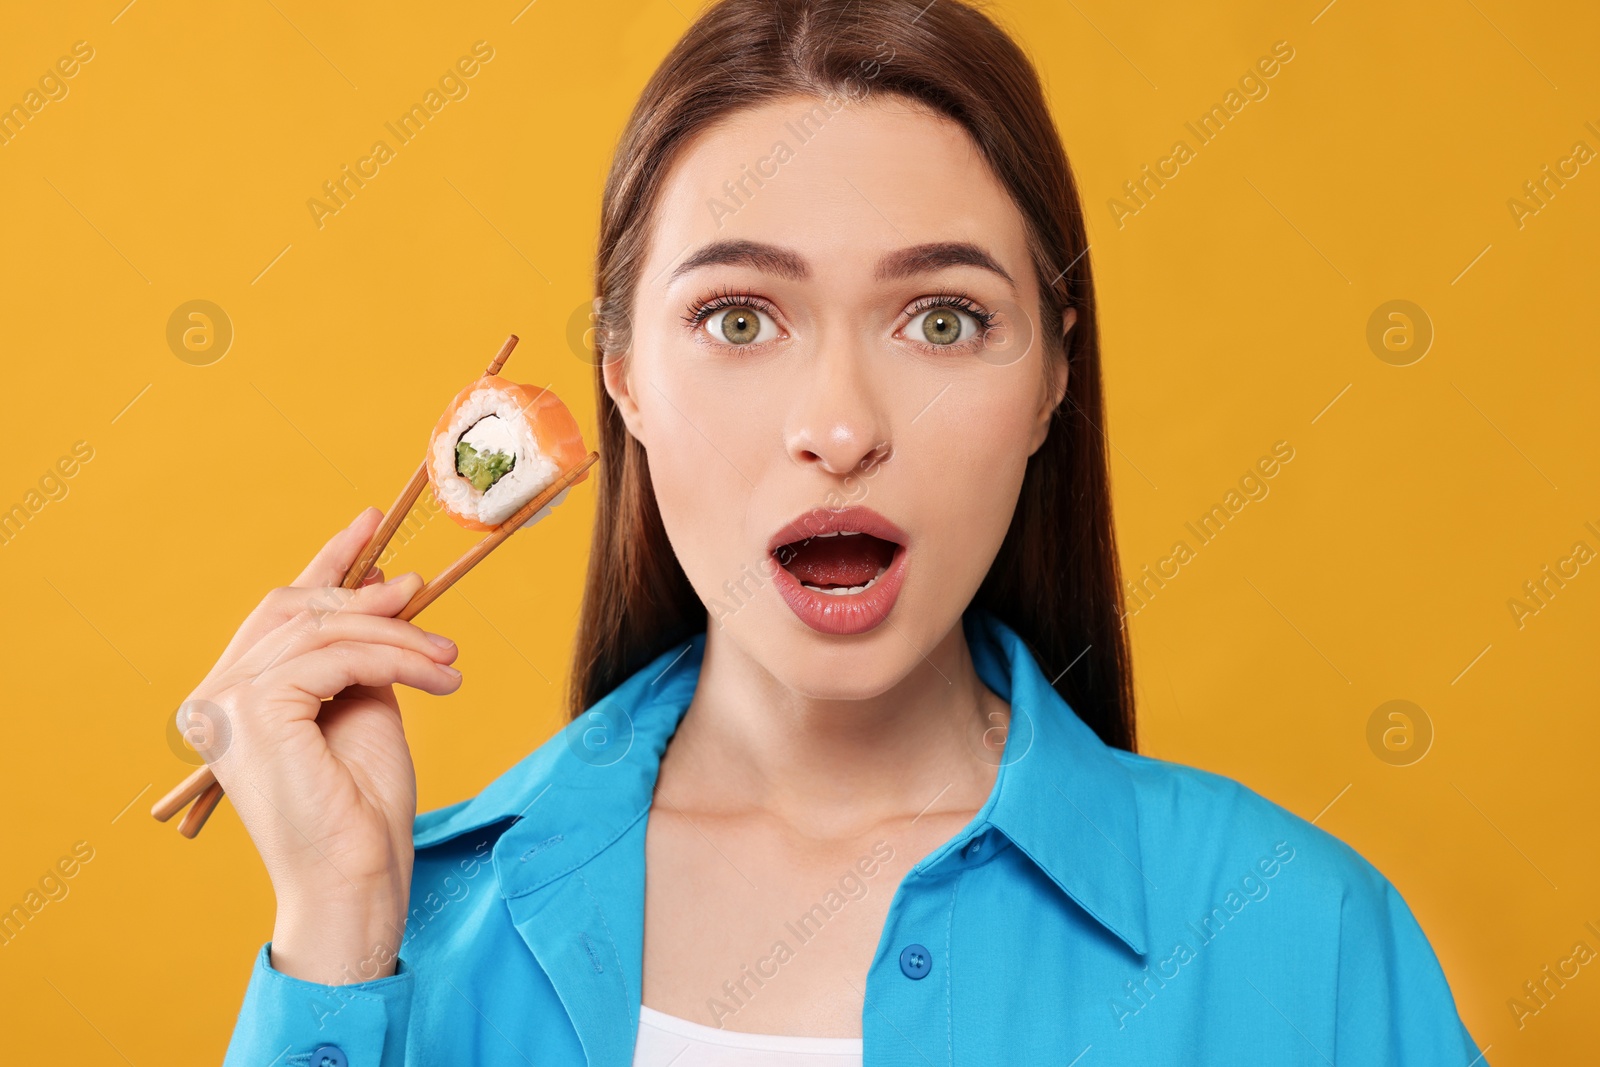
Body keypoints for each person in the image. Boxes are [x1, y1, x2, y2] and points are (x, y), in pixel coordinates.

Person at [205, 0, 1487, 1063]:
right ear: (622, 376)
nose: (839, 426)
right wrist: (337, 929)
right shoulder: (393, 935)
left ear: (1052, 377)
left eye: (940, 319)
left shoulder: (1305, 938)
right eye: (740, 318)